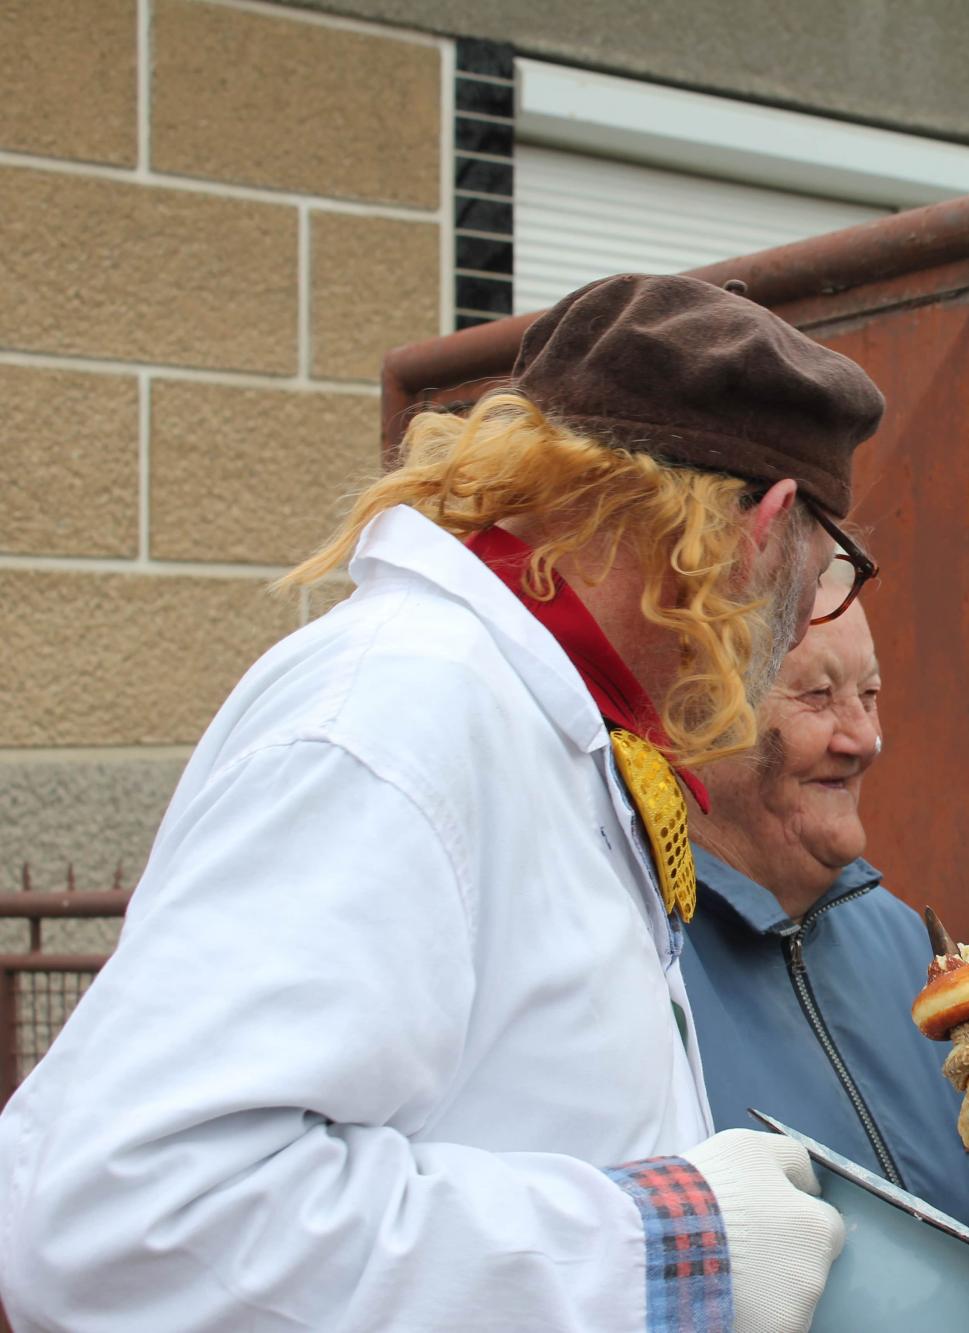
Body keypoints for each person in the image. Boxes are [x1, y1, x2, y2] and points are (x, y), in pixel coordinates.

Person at [0, 274, 885, 1332]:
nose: (802, 623)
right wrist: (668, 1246)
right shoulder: (399, 716)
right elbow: (132, 1225)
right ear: (761, 532)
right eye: (819, 576)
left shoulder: (525, 718)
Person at [679, 569, 969, 1228]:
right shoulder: (649, 954)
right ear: (697, 708)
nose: (863, 740)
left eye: (869, 695)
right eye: (818, 696)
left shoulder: (910, 946)